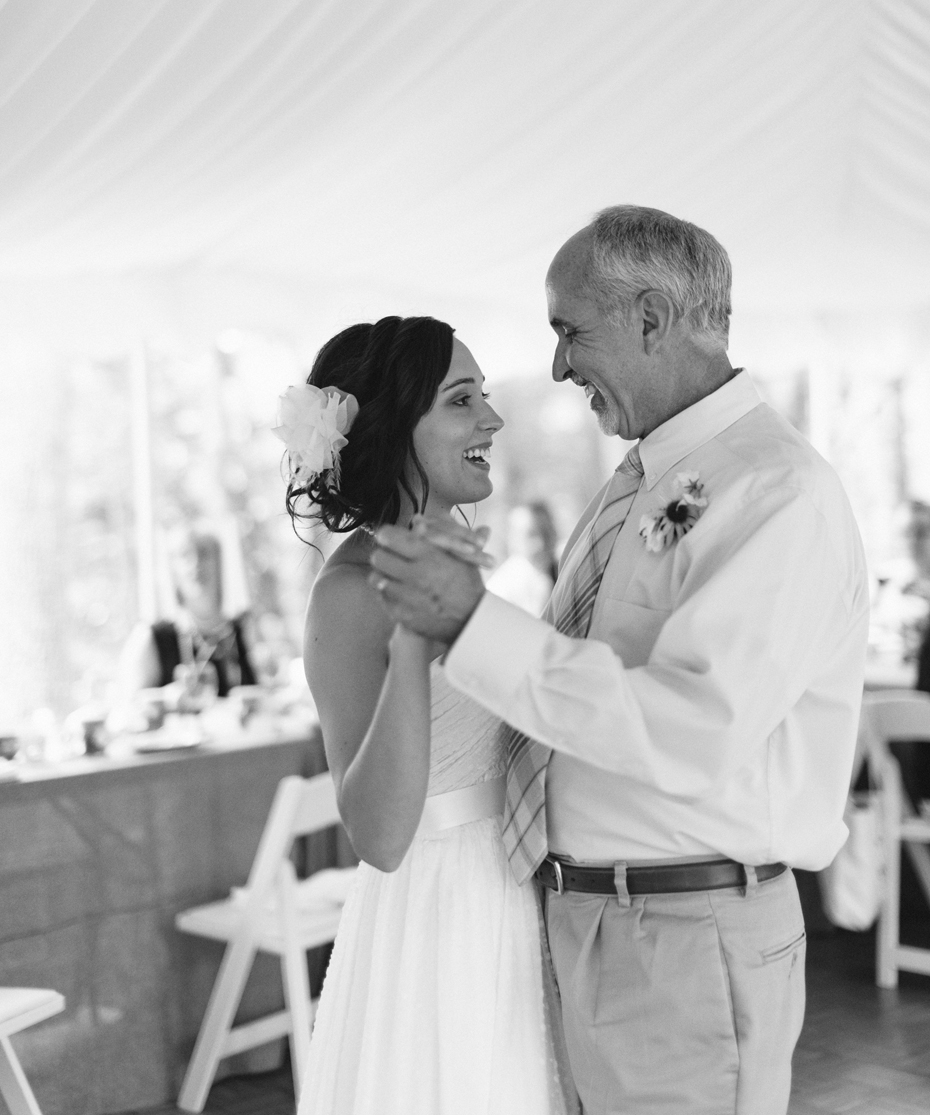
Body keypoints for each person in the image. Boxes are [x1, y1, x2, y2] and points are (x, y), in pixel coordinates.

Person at [370, 206, 870, 1115]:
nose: (558, 366)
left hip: (684, 936)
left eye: (570, 330)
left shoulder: (777, 490)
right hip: (599, 923)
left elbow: (692, 727)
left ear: (649, 317)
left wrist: (476, 629)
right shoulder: (647, 474)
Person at [278, 316, 575, 1115]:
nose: (493, 418)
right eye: (461, 399)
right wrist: (413, 641)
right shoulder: (347, 595)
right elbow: (377, 835)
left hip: (521, 896)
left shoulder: (464, 558)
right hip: (442, 920)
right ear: (394, 428)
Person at [120, 527, 256, 701]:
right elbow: (128, 704)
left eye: (204, 553)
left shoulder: (244, 631)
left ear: (221, 562)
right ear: (171, 568)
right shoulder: (152, 637)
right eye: (185, 555)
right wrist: (167, 697)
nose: (196, 563)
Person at [486, 501, 559, 616]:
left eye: (546, 532)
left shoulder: (563, 567)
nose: (541, 543)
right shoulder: (501, 592)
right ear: (512, 540)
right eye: (531, 535)